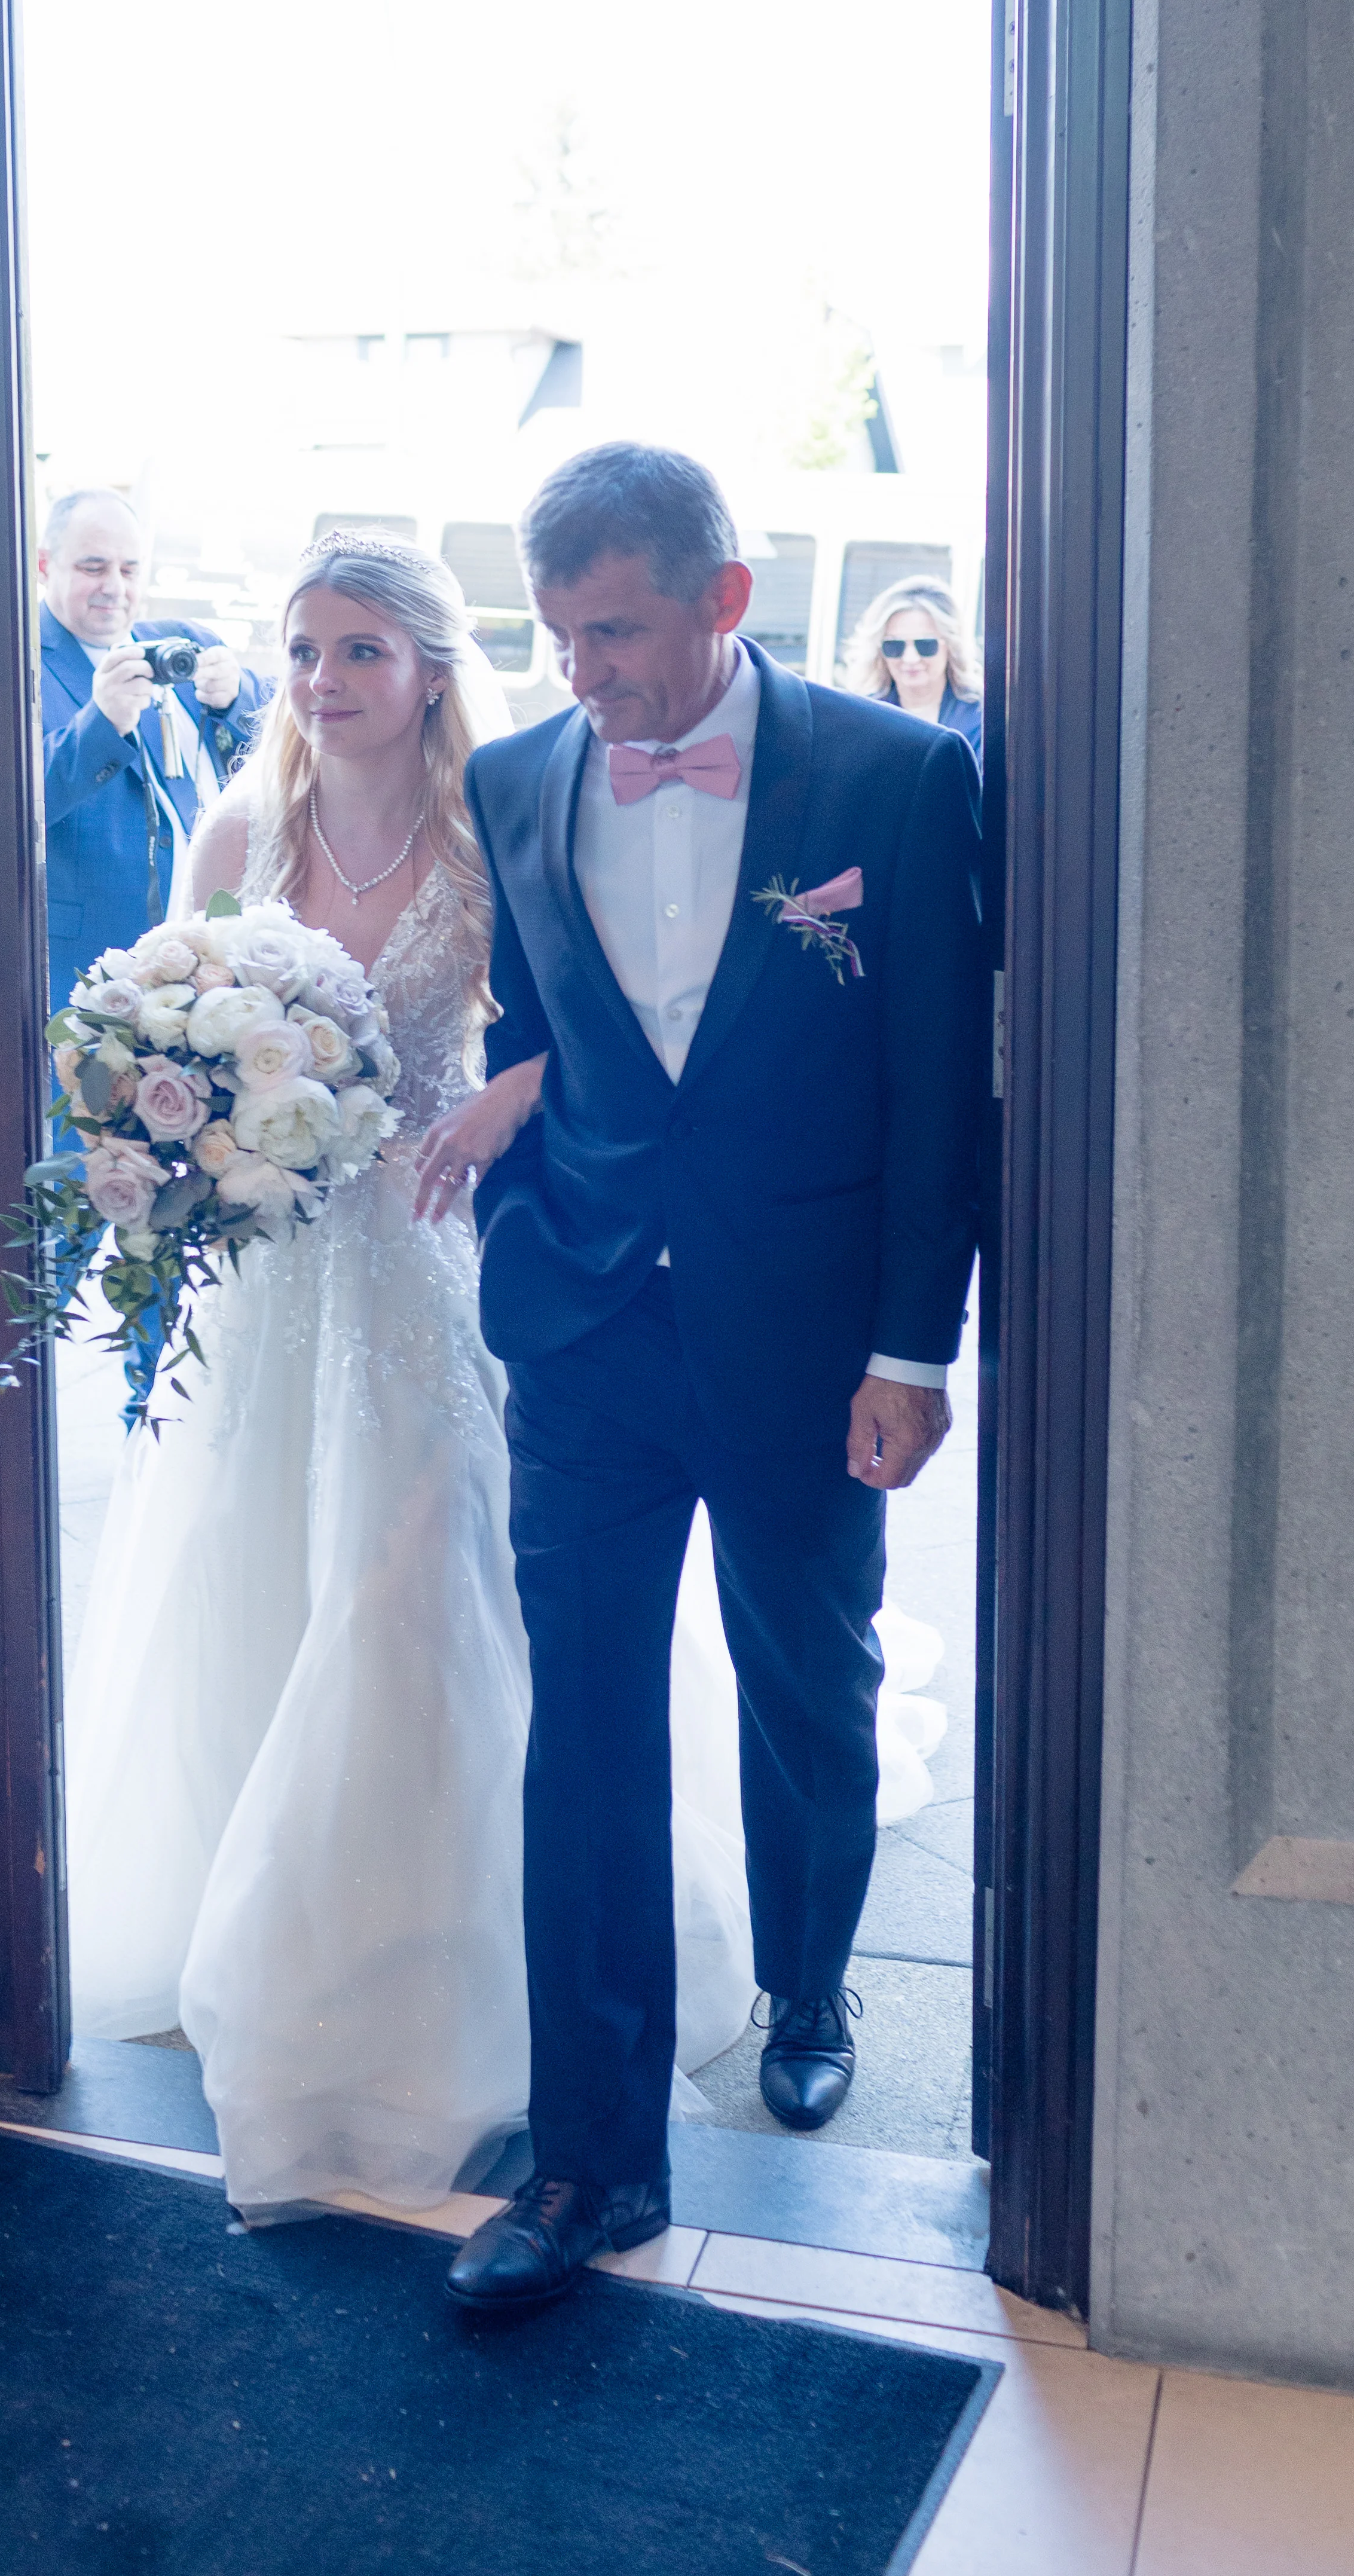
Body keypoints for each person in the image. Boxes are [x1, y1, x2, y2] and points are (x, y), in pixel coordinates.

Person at [63, 534, 760, 2217]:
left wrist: (503, 1098)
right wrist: (192, 1138)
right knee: (246, 1569)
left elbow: (581, 1026)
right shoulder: (244, 829)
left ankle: (425, 1971)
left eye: (361, 650)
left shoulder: (491, 829)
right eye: (303, 650)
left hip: (430, 1256)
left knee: (414, 1587)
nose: (323, 682)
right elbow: (170, 1015)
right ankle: (239, 1901)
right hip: (274, 1270)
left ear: (434, 669)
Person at [433, 442, 985, 2314]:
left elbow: (935, 1089)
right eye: (556, 633)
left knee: (802, 1672)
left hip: (806, 1330)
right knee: (580, 1722)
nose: (581, 671)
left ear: (723, 599)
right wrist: (517, 1101)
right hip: (583, 1322)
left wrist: (912, 1351)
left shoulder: (896, 780)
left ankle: (810, 1980)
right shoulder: (512, 776)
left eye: (616, 631)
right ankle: (591, 2165)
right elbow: (542, 1013)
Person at [36, 488, 270, 1017]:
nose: (114, 588)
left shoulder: (182, 642)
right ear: (46, 566)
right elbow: (11, 806)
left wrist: (238, 695)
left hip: (210, 958)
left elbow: (284, 729)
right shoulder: (16, 660)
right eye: (94, 568)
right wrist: (102, 724)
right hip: (91, 960)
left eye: (130, 569)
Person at [843, 576, 983, 774]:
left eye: (925, 645)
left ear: (951, 646)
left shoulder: (981, 717)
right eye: (895, 646)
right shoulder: (864, 717)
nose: (910, 658)